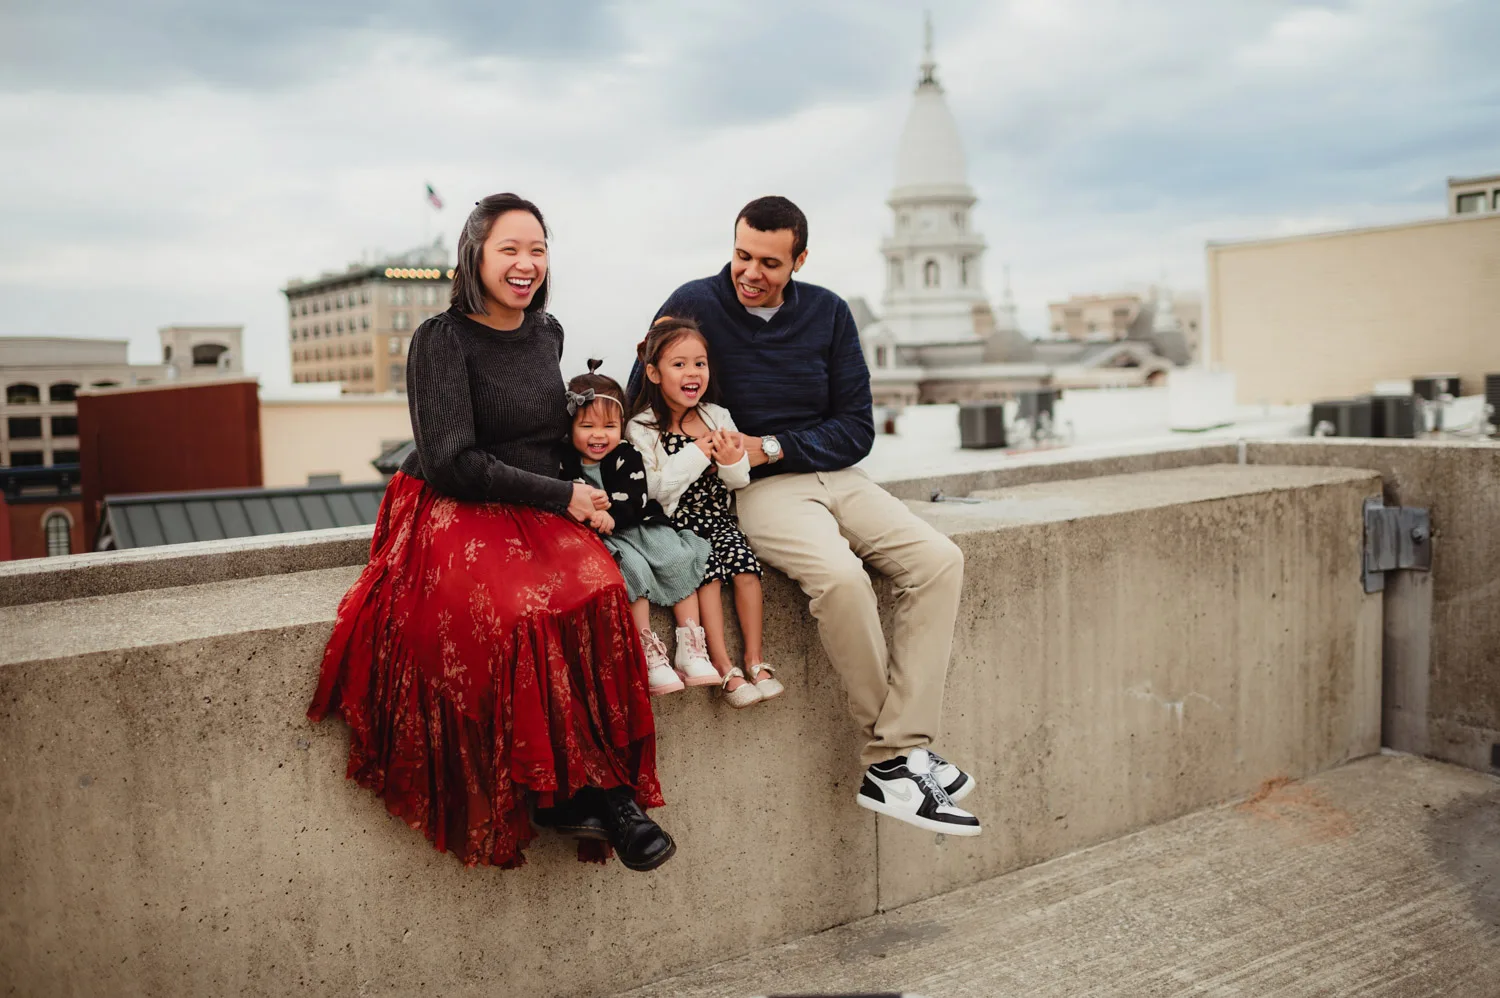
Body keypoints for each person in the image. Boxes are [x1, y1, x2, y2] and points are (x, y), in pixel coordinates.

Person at [308, 193, 676, 872]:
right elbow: (453, 461)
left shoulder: (547, 332)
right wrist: (565, 496)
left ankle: (601, 794)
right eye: (510, 248)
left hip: (536, 504)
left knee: (599, 590)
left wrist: (589, 491)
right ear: (474, 254)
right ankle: (578, 796)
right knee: (522, 615)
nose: (526, 263)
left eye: (537, 249)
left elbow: (550, 438)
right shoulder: (440, 339)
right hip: (454, 504)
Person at [628, 196, 980, 836]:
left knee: (939, 561)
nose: (750, 272)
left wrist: (774, 443)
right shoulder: (692, 305)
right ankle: (897, 760)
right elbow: (644, 400)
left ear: (799, 259)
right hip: (759, 490)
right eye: (741, 255)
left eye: (768, 261)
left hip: (837, 474)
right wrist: (709, 453)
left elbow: (856, 428)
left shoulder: (829, 313)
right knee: (841, 580)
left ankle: (896, 750)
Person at [626, 317, 783, 710]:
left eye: (700, 363)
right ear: (654, 373)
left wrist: (730, 461)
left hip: (717, 516)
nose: (692, 372)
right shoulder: (642, 427)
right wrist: (698, 452)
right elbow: (655, 489)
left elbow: (738, 481)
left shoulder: (718, 415)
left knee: (746, 570)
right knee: (707, 575)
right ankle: (724, 665)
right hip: (676, 523)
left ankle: (755, 659)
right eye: (679, 364)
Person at [559, 361, 719, 696]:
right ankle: (649, 653)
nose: (599, 435)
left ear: (622, 425)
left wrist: (613, 516)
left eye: (609, 426)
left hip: (635, 522)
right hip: (601, 537)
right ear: (570, 426)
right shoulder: (564, 460)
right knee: (629, 571)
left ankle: (690, 643)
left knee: (675, 556)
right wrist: (591, 517)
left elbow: (636, 496)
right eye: (587, 426)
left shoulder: (626, 454)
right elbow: (564, 496)